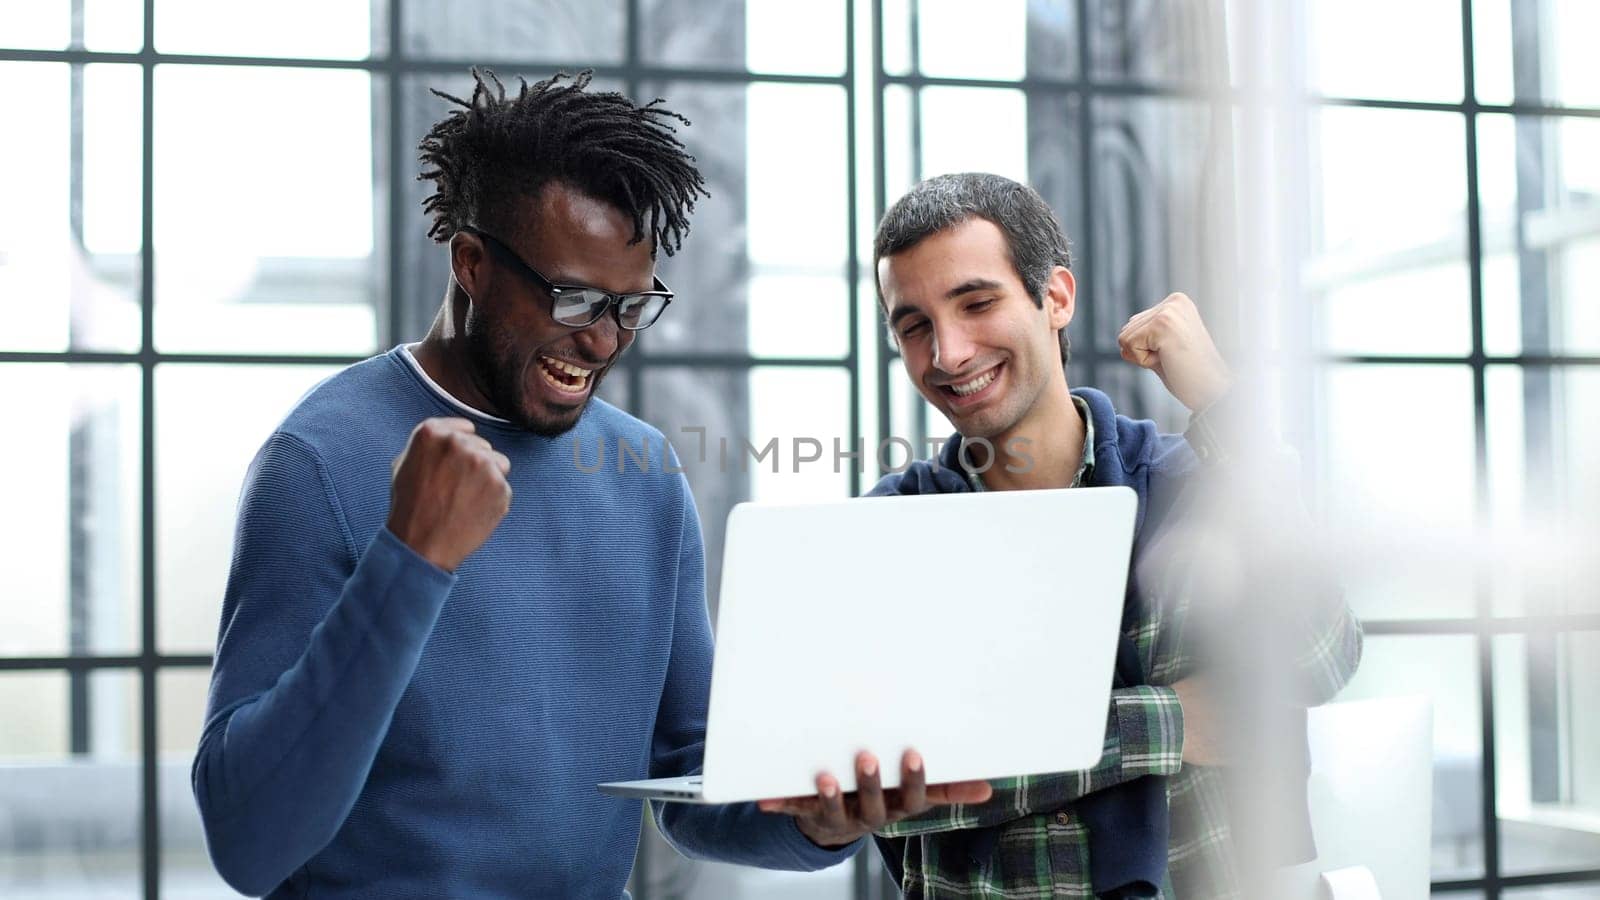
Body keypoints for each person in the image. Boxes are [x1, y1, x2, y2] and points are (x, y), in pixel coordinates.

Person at [191, 70, 989, 898]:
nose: (605, 340)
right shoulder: (320, 460)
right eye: (574, 298)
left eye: (631, 305)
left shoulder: (643, 477)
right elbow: (250, 843)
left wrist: (816, 821)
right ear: (471, 263)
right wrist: (410, 561)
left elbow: (687, 776)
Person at [859, 172, 1362, 897]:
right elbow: (899, 786)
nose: (949, 353)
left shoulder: (1204, 487)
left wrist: (1226, 407)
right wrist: (1171, 721)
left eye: (976, 303)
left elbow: (1321, 659)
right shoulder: (890, 534)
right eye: (913, 326)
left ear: (1055, 297)